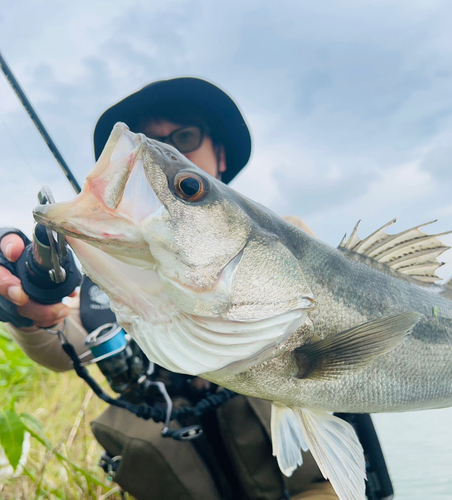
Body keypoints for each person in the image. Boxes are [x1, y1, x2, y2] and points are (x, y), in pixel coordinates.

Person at [0, 77, 338, 499]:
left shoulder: (290, 242)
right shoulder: (113, 282)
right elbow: (63, 343)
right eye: (153, 144)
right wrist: (28, 309)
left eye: (185, 138)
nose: (162, 150)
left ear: (220, 154)